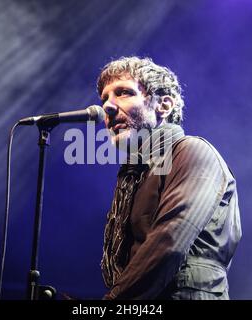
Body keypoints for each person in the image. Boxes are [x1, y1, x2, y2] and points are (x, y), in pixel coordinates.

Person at [97, 56, 242, 300]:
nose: (108, 107)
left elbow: (169, 241)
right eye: (104, 99)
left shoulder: (192, 152)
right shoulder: (135, 174)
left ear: (163, 105)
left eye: (123, 92)